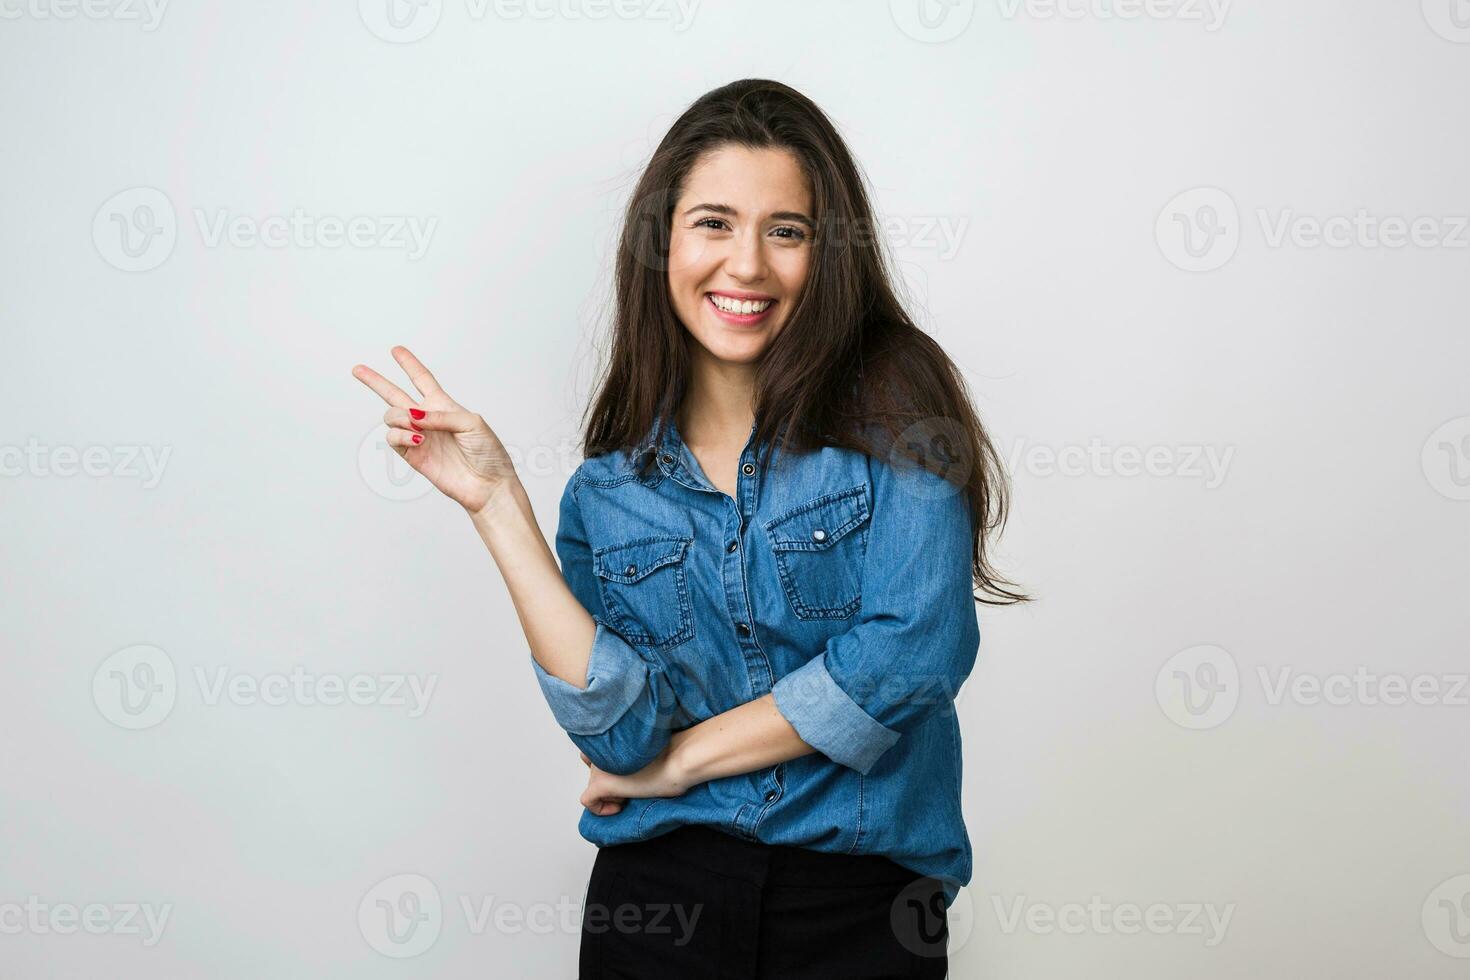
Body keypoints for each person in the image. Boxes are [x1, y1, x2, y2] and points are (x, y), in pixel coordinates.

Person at [352, 78, 1024, 979]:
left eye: (785, 231)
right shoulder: (609, 489)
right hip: (656, 902)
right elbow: (620, 740)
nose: (746, 265)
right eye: (713, 222)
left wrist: (682, 765)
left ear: (827, 255)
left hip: (858, 902)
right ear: (659, 245)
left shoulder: (899, 398)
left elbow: (914, 650)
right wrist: (496, 502)